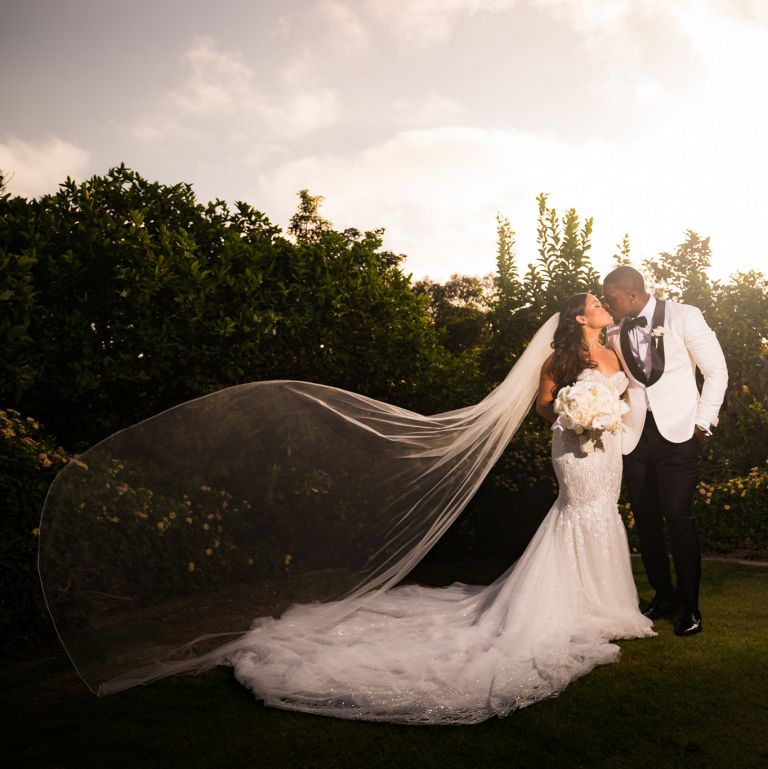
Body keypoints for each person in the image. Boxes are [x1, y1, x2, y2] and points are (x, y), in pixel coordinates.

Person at [39, 294, 653, 725]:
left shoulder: (617, 354)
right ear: (579, 316)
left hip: (608, 450)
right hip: (573, 448)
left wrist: (610, 416)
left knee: (602, 515)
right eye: (597, 304)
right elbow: (544, 409)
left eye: (605, 303)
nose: (604, 307)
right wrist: (572, 413)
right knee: (578, 514)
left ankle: (604, 599)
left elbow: (634, 396)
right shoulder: (556, 360)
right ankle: (571, 603)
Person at [602, 266, 728, 636]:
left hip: (681, 434)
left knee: (677, 516)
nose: (608, 306)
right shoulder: (613, 331)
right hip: (636, 436)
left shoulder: (684, 316)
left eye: (611, 299)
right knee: (645, 519)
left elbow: (716, 371)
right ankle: (664, 595)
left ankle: (690, 607)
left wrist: (703, 424)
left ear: (631, 295)